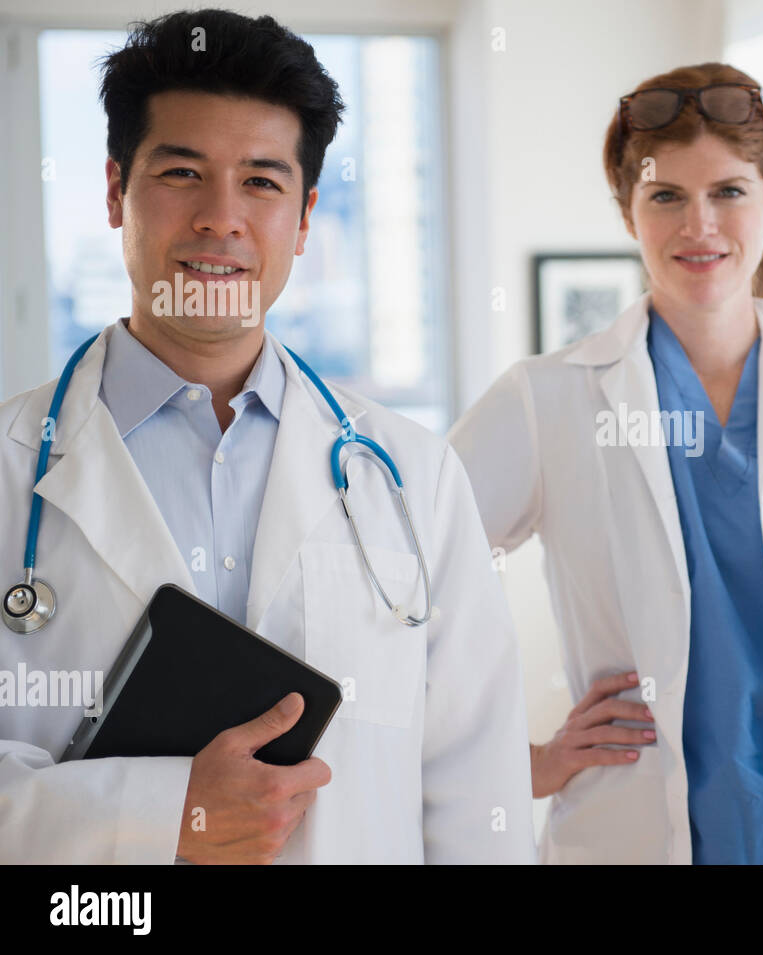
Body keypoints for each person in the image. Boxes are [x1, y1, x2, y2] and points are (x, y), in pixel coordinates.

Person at [0, 9, 535, 864]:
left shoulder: (413, 477)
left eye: (261, 181)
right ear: (114, 191)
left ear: (306, 213)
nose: (222, 218)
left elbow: (478, 796)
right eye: (181, 172)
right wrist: (155, 813)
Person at [450, 63, 763, 864]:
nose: (700, 226)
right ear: (628, 212)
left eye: (727, 192)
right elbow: (401, 581)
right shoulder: (546, 402)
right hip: (624, 837)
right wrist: (525, 764)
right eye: (665, 197)